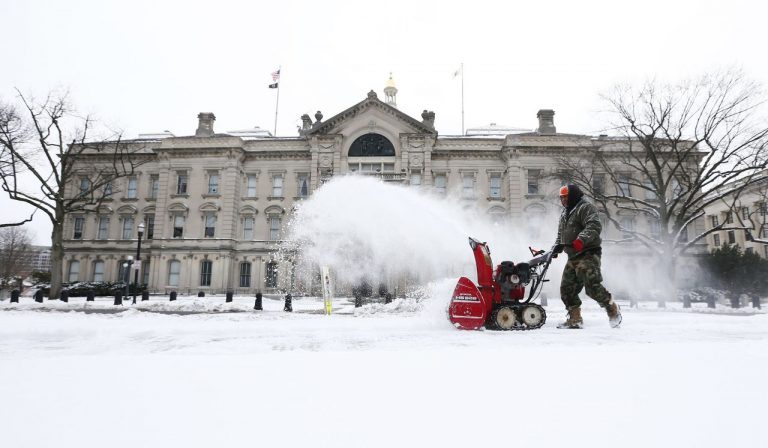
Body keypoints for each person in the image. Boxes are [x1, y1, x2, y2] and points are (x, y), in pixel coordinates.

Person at [553, 184, 622, 329]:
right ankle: (575, 318)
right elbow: (562, 234)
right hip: (573, 255)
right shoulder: (565, 213)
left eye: (565, 197)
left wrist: (581, 239)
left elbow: (594, 225)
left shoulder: (585, 207)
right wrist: (557, 247)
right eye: (561, 198)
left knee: (591, 287)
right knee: (567, 289)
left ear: (572, 196)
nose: (563, 201)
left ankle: (612, 308)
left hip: (588, 253)